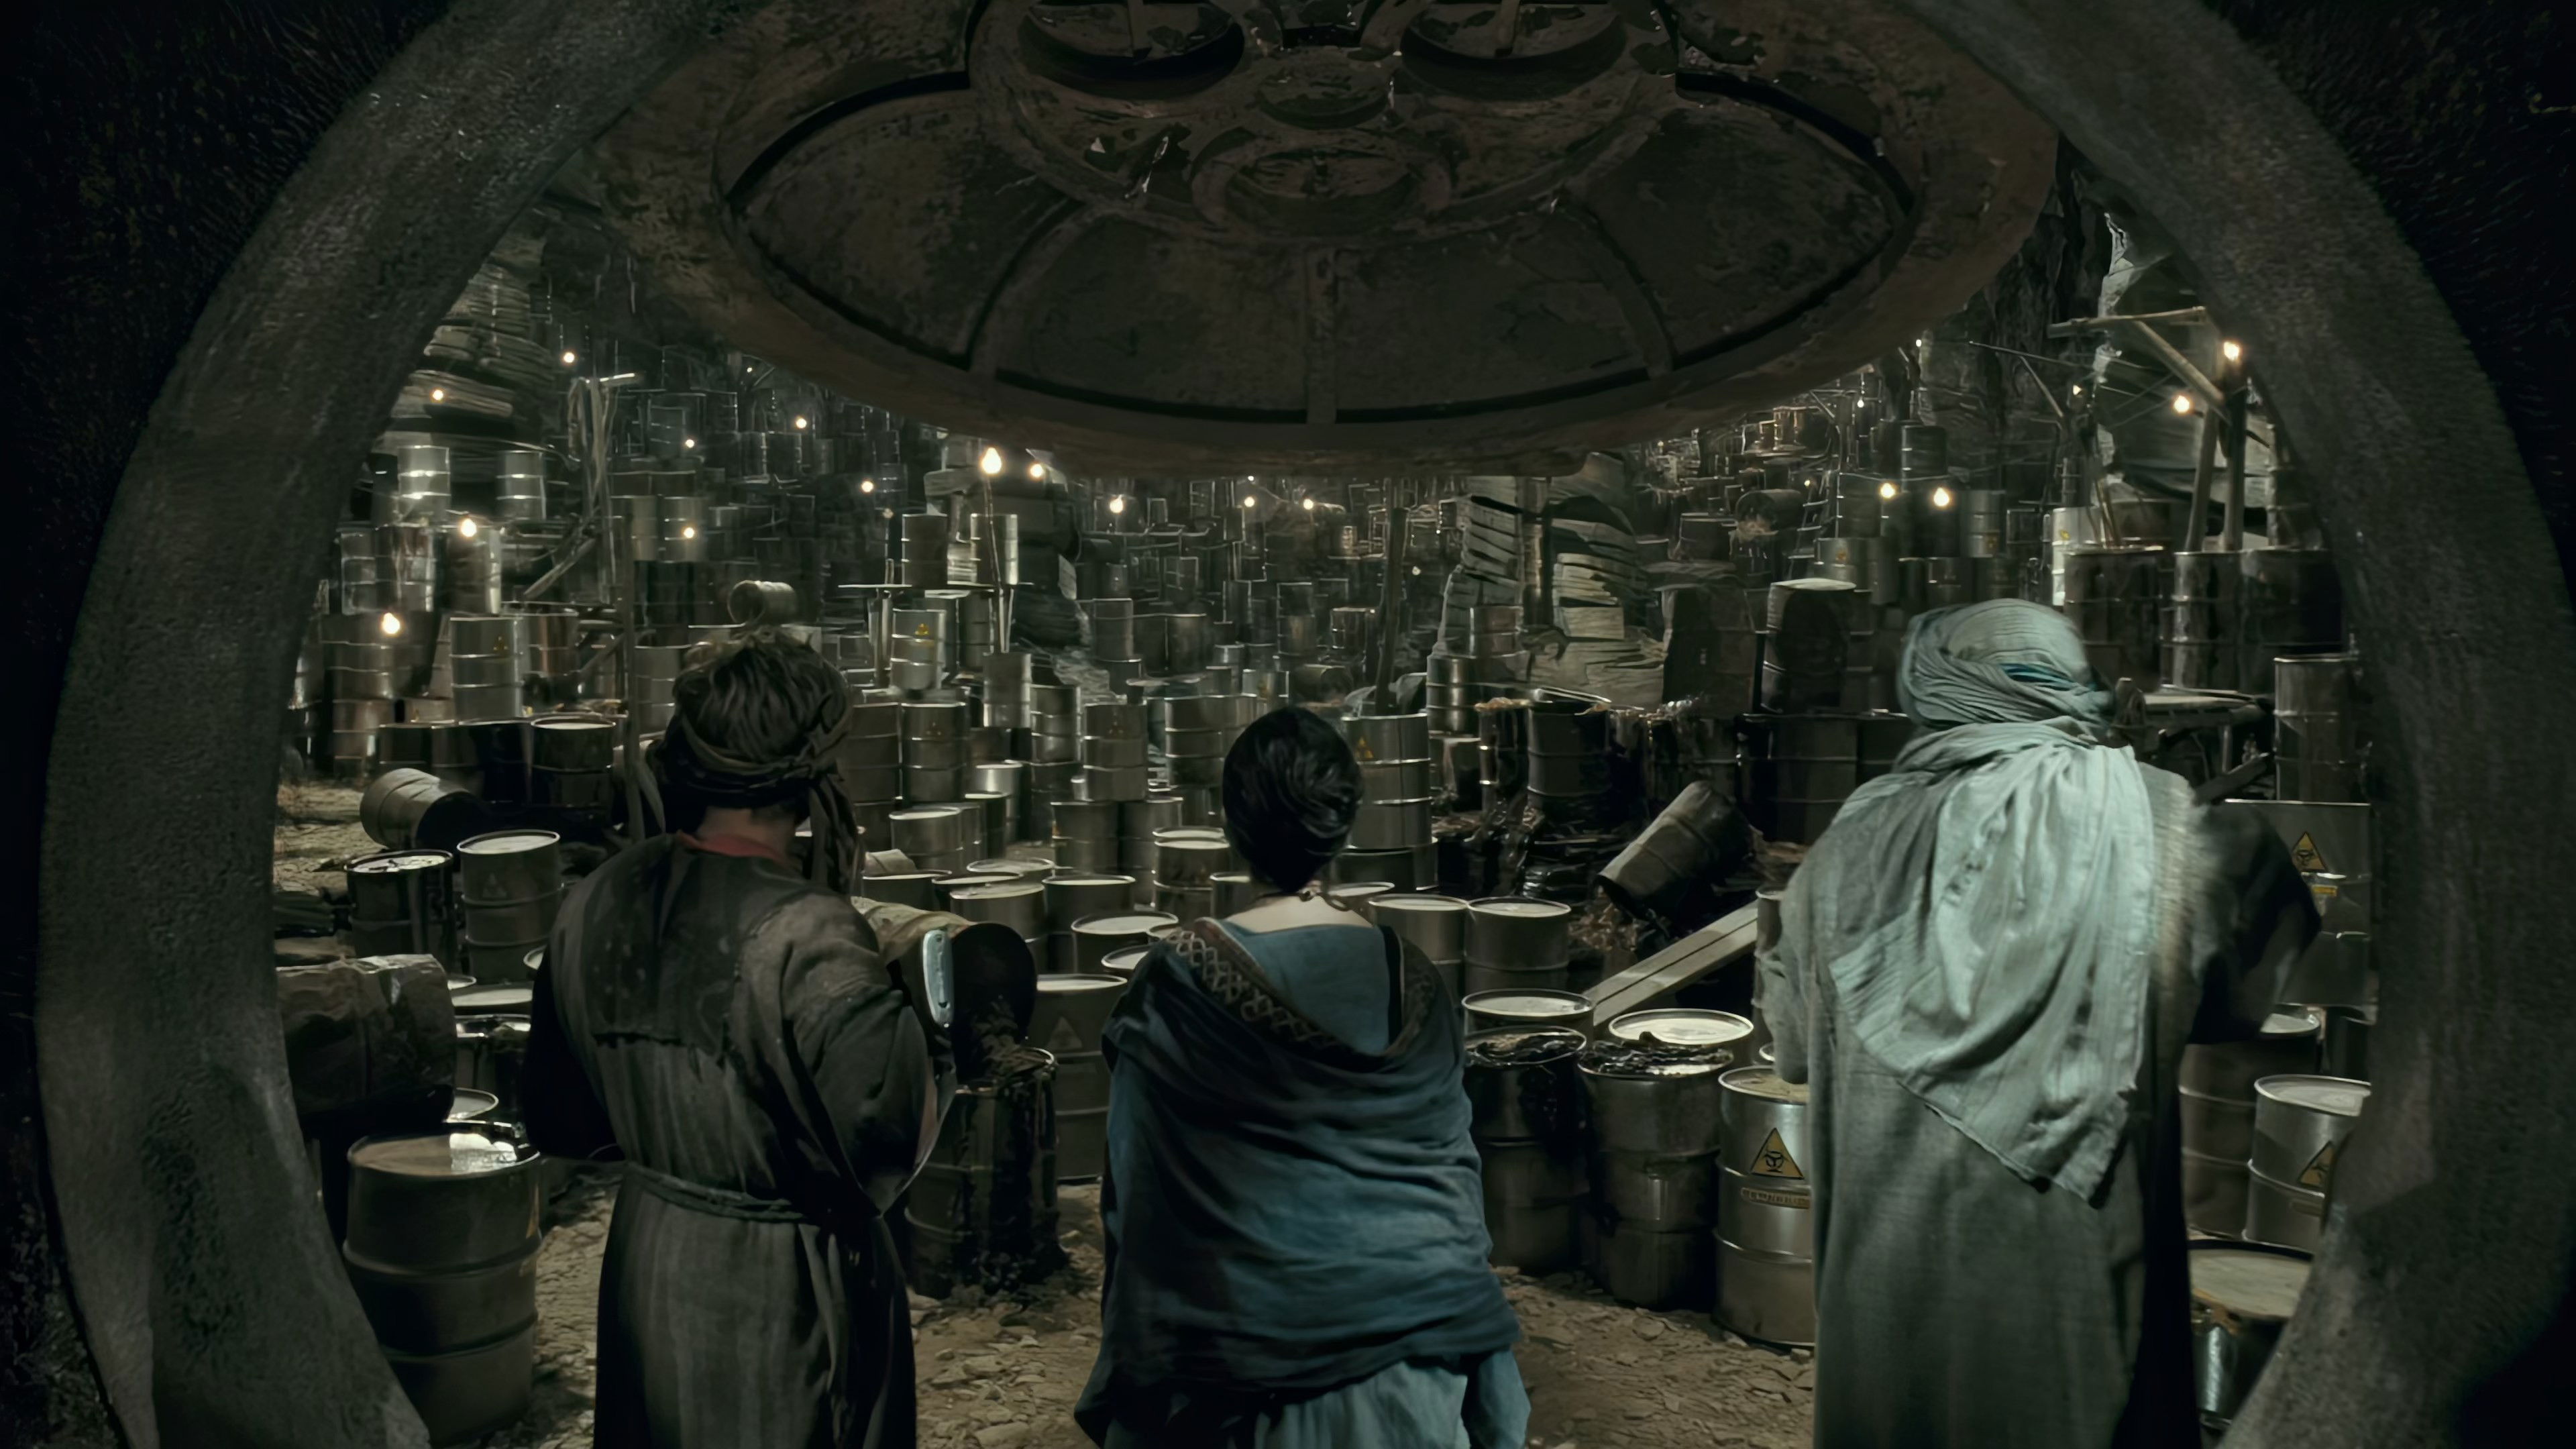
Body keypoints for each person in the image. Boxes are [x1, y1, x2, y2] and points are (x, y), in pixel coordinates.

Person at [1756, 599, 2317, 1448]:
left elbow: (1795, 1056)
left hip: (1891, 1306)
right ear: (2075, 685)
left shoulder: (1844, 847)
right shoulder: (2170, 826)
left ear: (1931, 689)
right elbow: (2241, 1000)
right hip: (2081, 1316)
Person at [521, 629, 951, 1449]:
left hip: (651, 1261)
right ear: (811, 778)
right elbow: (888, 1144)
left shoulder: (599, 896)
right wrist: (931, 1036)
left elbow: (562, 1120)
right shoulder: (811, 935)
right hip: (779, 1301)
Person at [1075, 706, 1529, 1448]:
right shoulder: (1413, 977)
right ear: (1344, 826)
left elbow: (1141, 1198)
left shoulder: (1181, 981)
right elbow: (1454, 1187)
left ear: (1232, 826)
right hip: (1419, 1387)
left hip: (1240, 1389)